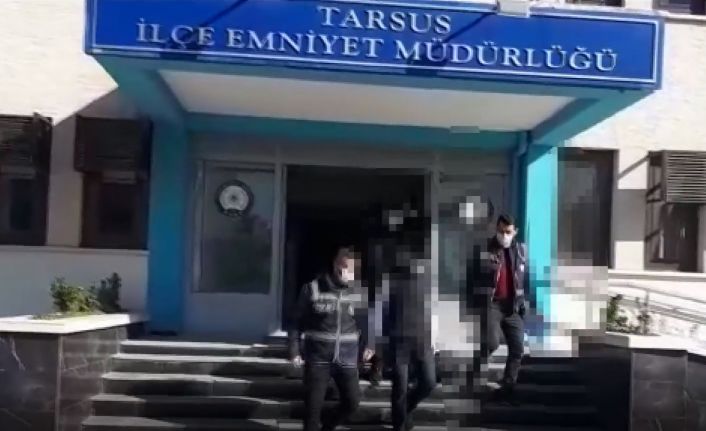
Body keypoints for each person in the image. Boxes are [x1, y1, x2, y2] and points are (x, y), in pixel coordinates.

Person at [288, 244, 374, 431]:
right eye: (343, 267)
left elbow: (367, 323)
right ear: (335, 264)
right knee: (312, 410)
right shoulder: (312, 288)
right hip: (318, 359)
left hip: (347, 359)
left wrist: (370, 344)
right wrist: (294, 351)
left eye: (351, 269)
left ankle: (328, 426)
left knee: (352, 402)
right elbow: (295, 323)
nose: (346, 272)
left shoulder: (359, 293)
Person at [370, 202, 437, 431]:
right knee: (399, 386)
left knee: (428, 382)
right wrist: (377, 343)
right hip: (398, 340)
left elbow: (435, 307)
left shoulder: (429, 276)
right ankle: (399, 424)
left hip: (423, 340)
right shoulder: (390, 277)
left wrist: (437, 339)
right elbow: (380, 309)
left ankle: (405, 409)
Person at [486, 214, 528, 402]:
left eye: (508, 232)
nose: (504, 235)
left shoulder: (520, 251)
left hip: (512, 306)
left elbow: (524, 277)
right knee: (491, 343)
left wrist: (523, 303)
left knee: (517, 348)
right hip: (492, 304)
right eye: (501, 231)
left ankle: (508, 388)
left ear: (515, 232)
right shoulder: (487, 249)